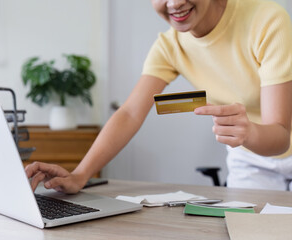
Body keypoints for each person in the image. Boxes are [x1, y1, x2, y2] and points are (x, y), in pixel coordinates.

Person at [25, 0, 292, 193]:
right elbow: (129, 113)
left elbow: (280, 136)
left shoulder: (266, 19)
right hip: (249, 158)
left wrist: (248, 133)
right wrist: (80, 174)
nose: (174, 3)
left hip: (273, 140)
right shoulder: (169, 46)